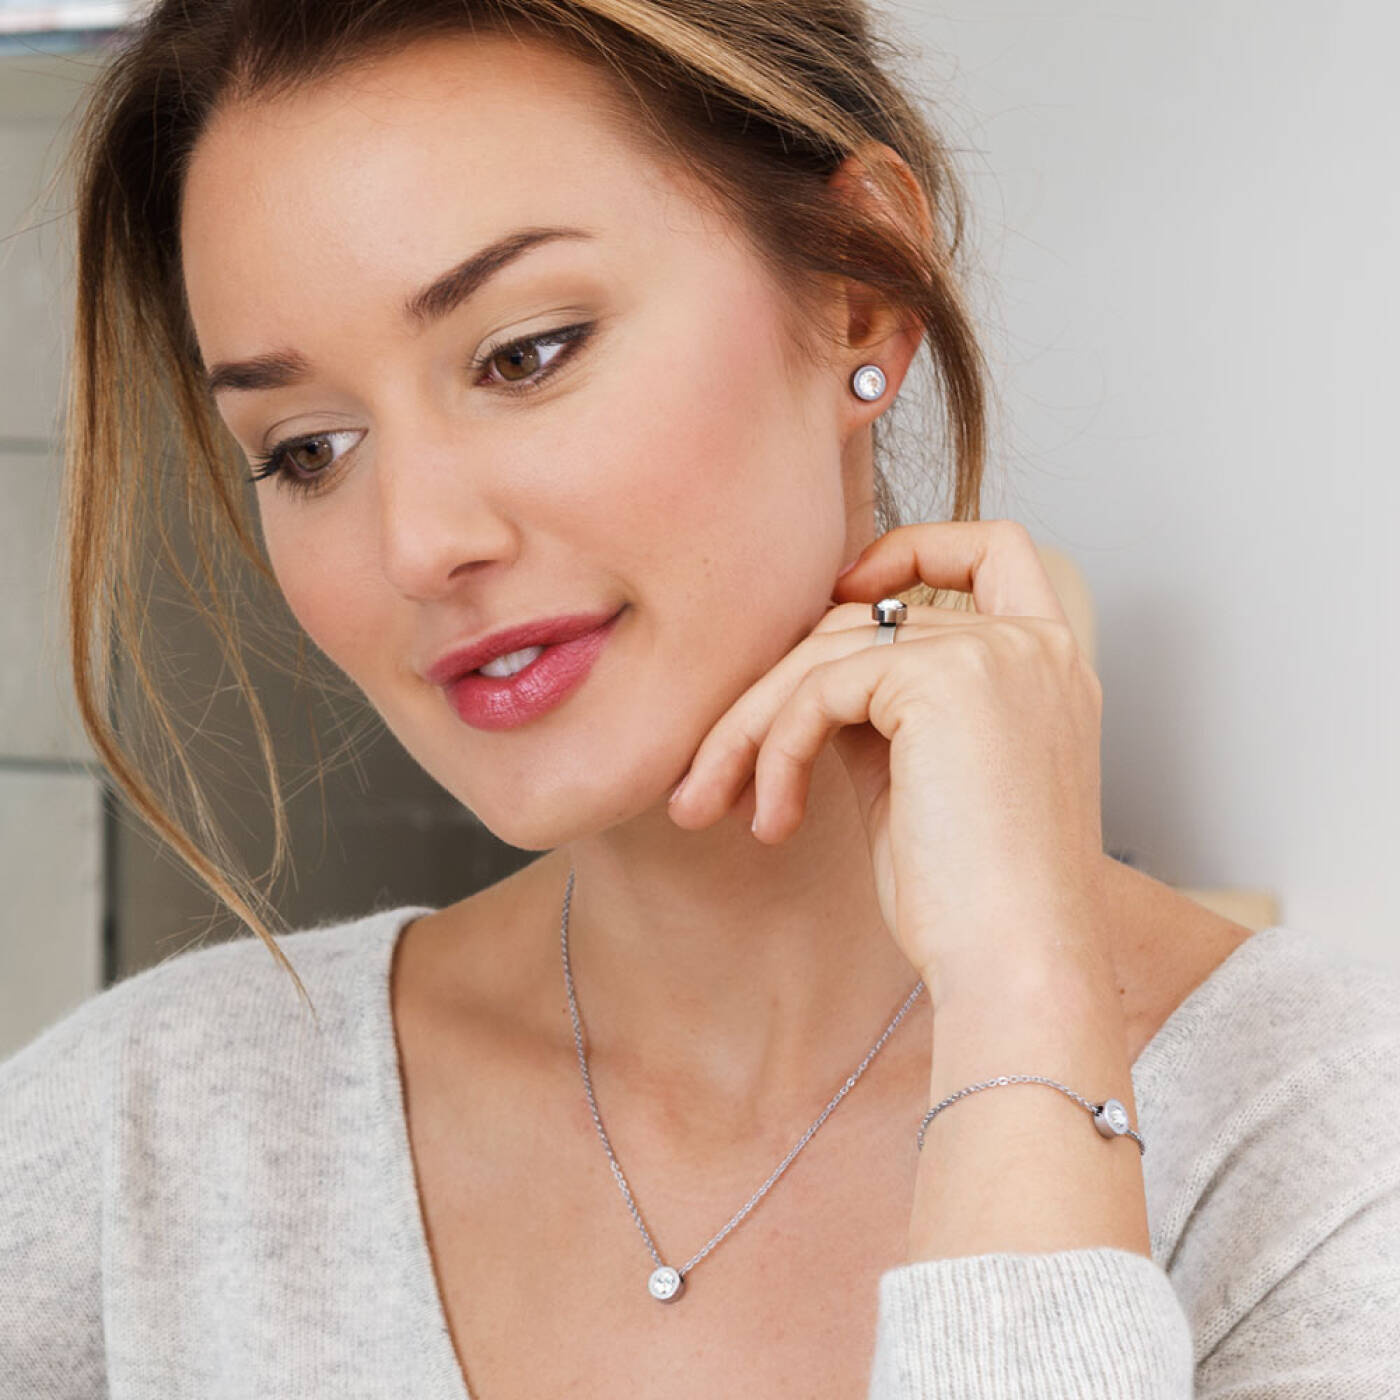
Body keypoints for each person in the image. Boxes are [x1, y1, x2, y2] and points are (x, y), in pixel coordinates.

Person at [2, 2, 1397, 1395]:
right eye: (308, 448)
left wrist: (1023, 1012)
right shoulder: (142, 1140)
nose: (418, 544)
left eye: (525, 353)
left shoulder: (1336, 1158)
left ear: (859, 289)